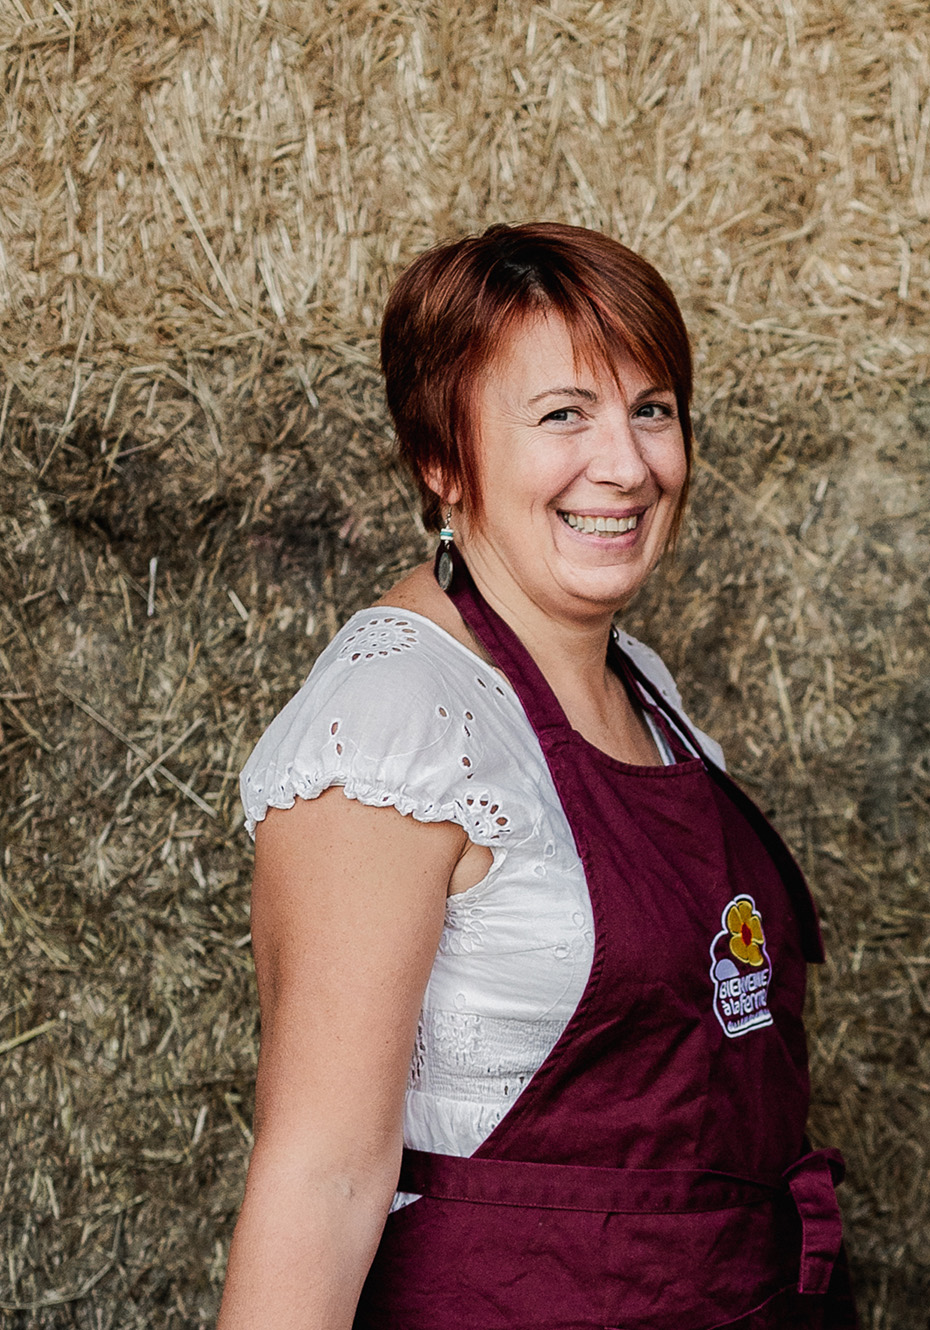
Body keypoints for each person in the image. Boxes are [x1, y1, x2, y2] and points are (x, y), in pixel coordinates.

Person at [220, 223, 853, 1329]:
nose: (627, 464)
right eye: (564, 414)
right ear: (441, 459)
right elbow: (320, 1175)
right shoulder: (395, 722)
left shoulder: (641, 684)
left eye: (651, 409)